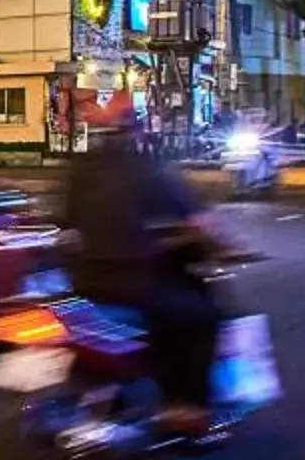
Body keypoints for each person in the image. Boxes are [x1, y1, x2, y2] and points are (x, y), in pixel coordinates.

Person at [59, 98, 226, 438]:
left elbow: (65, 222)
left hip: (85, 283)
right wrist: (220, 245)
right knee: (203, 319)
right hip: (139, 284)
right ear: (135, 132)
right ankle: (187, 406)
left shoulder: (80, 171)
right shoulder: (150, 170)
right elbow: (194, 220)